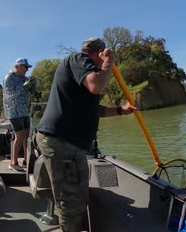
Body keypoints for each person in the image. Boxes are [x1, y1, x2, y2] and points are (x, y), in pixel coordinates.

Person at [35, 37, 136, 232]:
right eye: (101, 56)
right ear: (98, 52)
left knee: (75, 198)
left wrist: (121, 111)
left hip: (65, 143)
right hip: (62, 142)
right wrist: (108, 62)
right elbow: (96, 85)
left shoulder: (80, 74)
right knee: (71, 203)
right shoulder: (79, 60)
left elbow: (94, 110)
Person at [3, 58, 32, 172]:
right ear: (18, 66)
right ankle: (14, 163)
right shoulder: (9, 77)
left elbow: (31, 92)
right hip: (13, 111)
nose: (27, 70)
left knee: (27, 135)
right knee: (19, 135)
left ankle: (26, 160)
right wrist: (23, 86)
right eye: (26, 67)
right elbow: (9, 95)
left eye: (28, 68)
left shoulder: (25, 78)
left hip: (24, 110)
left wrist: (32, 86)